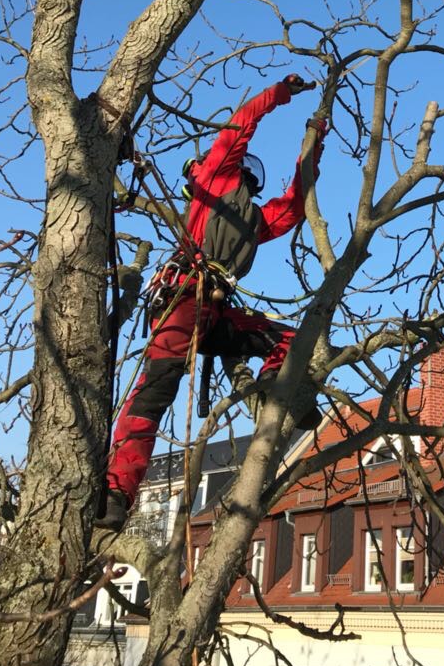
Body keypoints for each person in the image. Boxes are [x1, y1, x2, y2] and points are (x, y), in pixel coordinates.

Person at [97, 74, 326, 532]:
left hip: (214, 310)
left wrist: (315, 141)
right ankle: (117, 491)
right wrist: (278, 94)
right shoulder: (214, 179)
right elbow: (241, 127)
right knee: (157, 387)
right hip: (184, 297)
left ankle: (273, 387)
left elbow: (296, 203)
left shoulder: (256, 220)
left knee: (294, 341)